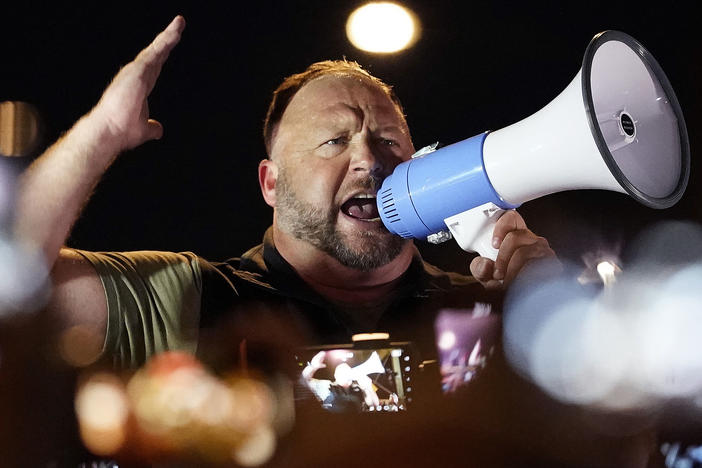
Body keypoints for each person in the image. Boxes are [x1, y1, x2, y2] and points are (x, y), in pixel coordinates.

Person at [15, 15, 556, 370]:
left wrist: (551, 315)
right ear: (270, 183)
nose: (369, 159)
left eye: (389, 140)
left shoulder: (482, 310)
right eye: (334, 140)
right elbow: (12, 278)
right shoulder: (186, 299)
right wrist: (103, 131)